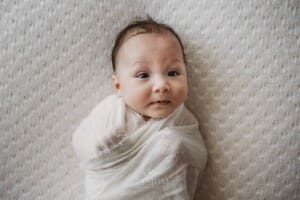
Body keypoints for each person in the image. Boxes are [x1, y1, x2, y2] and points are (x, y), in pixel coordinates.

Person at [72, 17, 207, 200]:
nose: (161, 85)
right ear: (118, 86)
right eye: (143, 75)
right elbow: (85, 144)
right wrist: (110, 143)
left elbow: (190, 156)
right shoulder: (111, 112)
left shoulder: (183, 123)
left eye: (173, 73)